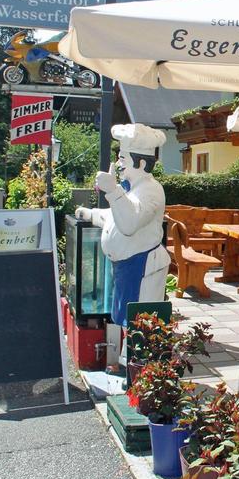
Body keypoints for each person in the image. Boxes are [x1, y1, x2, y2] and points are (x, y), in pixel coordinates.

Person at [75, 124, 169, 355]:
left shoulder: (150, 190)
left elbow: (129, 223)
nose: (119, 164)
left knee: (142, 321)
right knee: (127, 317)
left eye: (124, 158)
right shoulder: (132, 189)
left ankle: (144, 370)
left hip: (143, 265)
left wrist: (112, 191)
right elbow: (115, 217)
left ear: (142, 163)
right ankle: (131, 365)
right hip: (128, 265)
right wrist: (91, 214)